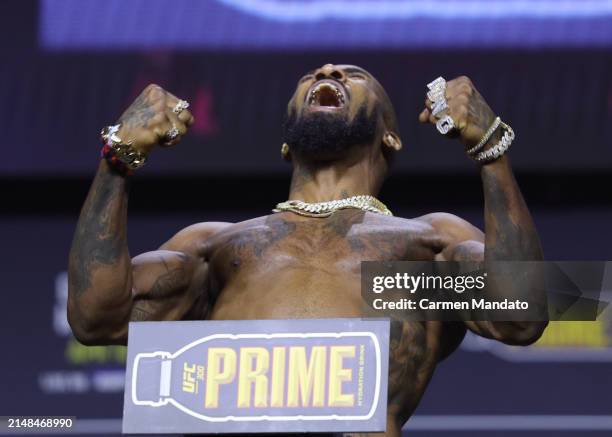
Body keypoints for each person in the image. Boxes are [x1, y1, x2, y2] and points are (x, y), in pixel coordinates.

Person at [67, 64, 547, 436]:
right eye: (310, 76)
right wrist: (117, 161)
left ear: (391, 136)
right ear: (284, 144)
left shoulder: (425, 241)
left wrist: (491, 152)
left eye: (354, 76)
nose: (328, 74)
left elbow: (523, 315)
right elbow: (95, 318)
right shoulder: (217, 245)